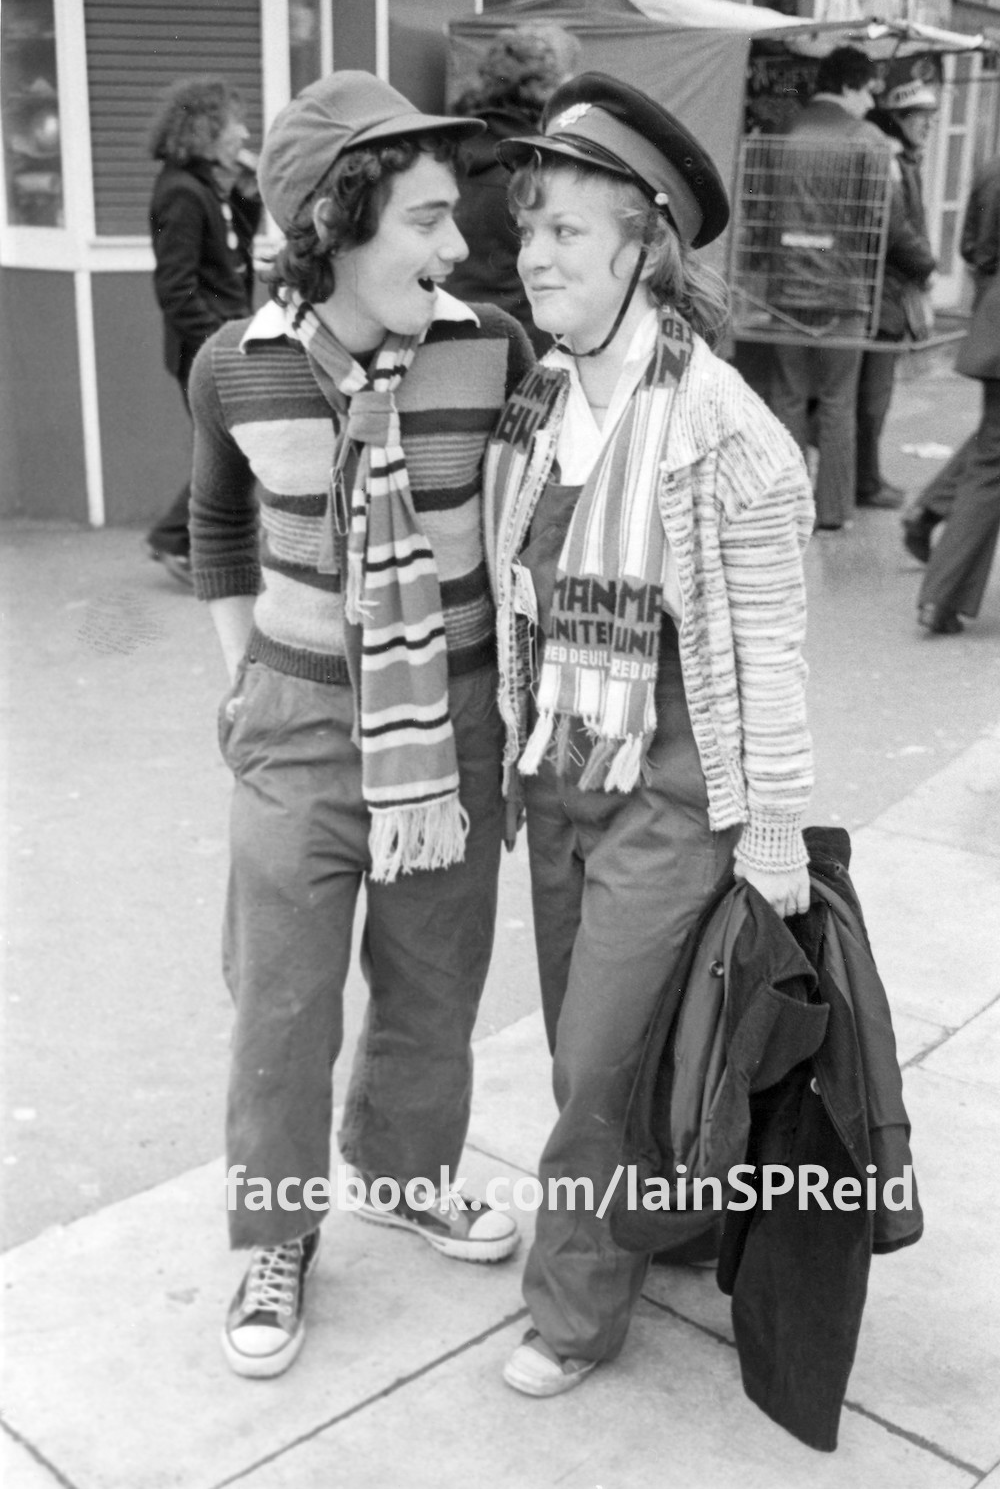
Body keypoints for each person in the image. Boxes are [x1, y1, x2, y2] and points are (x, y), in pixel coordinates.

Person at [188, 70, 534, 1379]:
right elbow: (221, 525)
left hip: (449, 729)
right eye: (428, 220)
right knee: (278, 1000)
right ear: (336, 223)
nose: (458, 247)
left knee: (435, 983)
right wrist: (240, 675)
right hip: (292, 722)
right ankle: (279, 1230)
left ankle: (404, 1170)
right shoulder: (237, 368)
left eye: (458, 220)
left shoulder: (491, 347)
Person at [481, 72, 814, 1397]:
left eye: (567, 229)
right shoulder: (542, 405)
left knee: (595, 1066)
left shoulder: (727, 435)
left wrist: (774, 829)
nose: (534, 254)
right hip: (560, 782)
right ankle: (664, 1223)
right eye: (528, 227)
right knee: (602, 1045)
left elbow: (775, 656)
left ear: (646, 243)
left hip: (670, 801)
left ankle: (571, 1314)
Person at [146, 77, 262, 586]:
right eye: (233, 122)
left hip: (221, 338)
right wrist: (219, 342)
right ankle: (175, 539)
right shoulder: (180, 193)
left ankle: (182, 540)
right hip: (205, 348)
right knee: (229, 446)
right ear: (206, 130)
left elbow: (232, 241)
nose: (244, 132)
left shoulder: (202, 186)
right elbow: (175, 289)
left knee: (228, 446)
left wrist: (250, 192)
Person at [768, 47, 890, 529]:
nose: (870, 104)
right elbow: (876, 219)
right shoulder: (868, 139)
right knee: (840, 401)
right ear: (851, 86)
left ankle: (782, 506)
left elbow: (759, 205)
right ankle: (834, 511)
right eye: (868, 93)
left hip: (782, 289)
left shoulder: (785, 131)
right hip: (844, 289)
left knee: (787, 397)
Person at [447, 22, 579, 353]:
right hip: (521, 353)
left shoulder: (447, 153)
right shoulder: (540, 171)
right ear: (550, 93)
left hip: (444, 339)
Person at [903, 152, 1000, 563]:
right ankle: (944, 585)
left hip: (991, 307)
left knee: (994, 439)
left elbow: (971, 246)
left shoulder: (990, 167)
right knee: (994, 446)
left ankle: (931, 510)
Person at [855, 79, 938, 510]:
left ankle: (865, 477)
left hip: (887, 294)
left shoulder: (905, 161)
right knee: (872, 399)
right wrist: (926, 263)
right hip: (881, 296)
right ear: (901, 120)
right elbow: (897, 229)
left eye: (929, 120)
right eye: (920, 119)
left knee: (874, 397)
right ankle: (864, 482)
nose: (927, 127)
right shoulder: (891, 161)